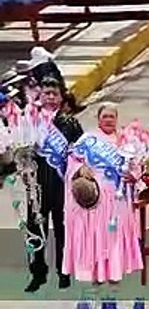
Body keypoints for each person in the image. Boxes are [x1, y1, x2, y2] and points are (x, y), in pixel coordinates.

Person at [62, 103, 143, 285]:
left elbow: (137, 166)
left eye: (111, 116)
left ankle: (113, 276)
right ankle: (95, 278)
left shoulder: (126, 141)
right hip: (96, 197)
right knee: (97, 236)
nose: (108, 120)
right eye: (104, 116)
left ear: (116, 119)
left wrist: (134, 175)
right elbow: (73, 161)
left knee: (114, 236)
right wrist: (81, 169)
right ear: (98, 119)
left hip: (118, 198)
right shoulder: (88, 139)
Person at [26, 79, 83, 293]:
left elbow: (81, 152)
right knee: (35, 230)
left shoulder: (71, 123)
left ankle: (64, 272)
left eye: (54, 93)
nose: (50, 97)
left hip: (62, 185)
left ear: (61, 98)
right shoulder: (32, 122)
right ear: (40, 97)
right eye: (46, 93)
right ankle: (37, 274)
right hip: (36, 186)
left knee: (63, 230)